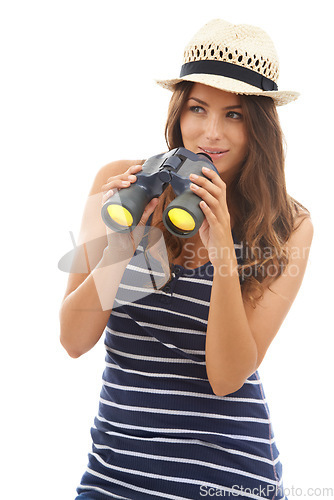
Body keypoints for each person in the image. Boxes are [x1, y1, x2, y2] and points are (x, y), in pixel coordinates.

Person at [59, 18, 313, 500]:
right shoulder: (121, 183)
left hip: (227, 479)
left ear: (259, 126)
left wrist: (224, 254)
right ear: (179, 111)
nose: (210, 133)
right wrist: (122, 246)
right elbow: (73, 340)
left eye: (234, 115)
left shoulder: (288, 224)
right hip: (115, 474)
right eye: (198, 108)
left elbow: (226, 377)